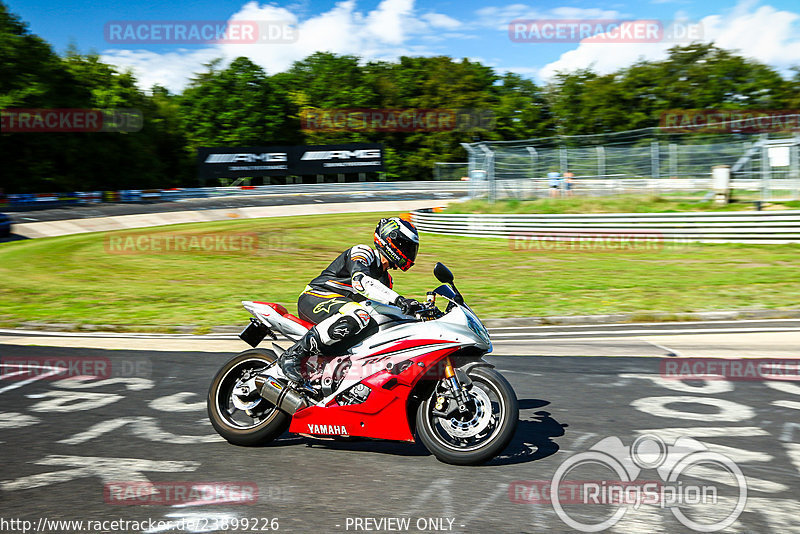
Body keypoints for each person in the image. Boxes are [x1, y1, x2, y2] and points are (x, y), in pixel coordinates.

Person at [278, 216, 422, 386]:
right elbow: (361, 282)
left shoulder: (386, 280)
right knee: (359, 315)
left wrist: (418, 314)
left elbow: (382, 309)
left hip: (340, 311)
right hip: (315, 297)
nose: (409, 252)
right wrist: (398, 300)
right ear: (390, 241)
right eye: (405, 246)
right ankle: (292, 355)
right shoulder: (363, 252)